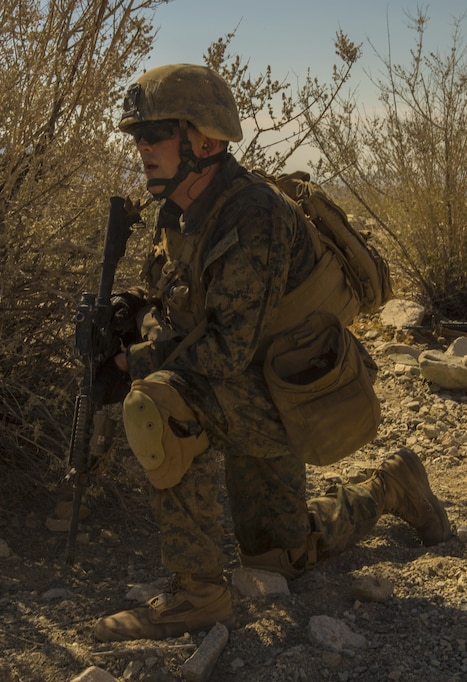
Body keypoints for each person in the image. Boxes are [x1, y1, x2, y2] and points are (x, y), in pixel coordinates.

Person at [93, 64, 452, 642]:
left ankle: (198, 597)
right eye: (137, 136)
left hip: (291, 401)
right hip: (256, 393)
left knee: (158, 401)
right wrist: (133, 318)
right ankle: (391, 486)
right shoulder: (180, 210)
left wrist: (131, 365)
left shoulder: (253, 213)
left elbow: (223, 351)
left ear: (204, 141)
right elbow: (181, 309)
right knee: (280, 559)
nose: (141, 149)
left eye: (155, 134)